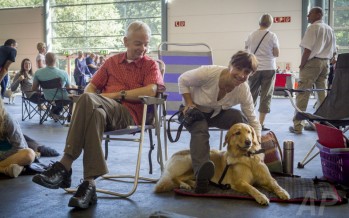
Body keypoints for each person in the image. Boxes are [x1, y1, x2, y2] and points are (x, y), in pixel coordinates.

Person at [32, 21, 164, 209]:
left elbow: (151, 90)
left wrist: (118, 95)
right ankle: (90, 185)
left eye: (146, 43)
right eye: (138, 43)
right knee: (92, 110)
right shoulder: (111, 62)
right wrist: (98, 95)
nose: (143, 48)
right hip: (102, 111)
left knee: (87, 100)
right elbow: (91, 87)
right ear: (125, 41)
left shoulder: (150, 65)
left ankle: (64, 165)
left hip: (129, 113)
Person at [178, 50, 261, 194]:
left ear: (250, 74)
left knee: (239, 118)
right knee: (200, 130)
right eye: (238, 68)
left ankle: (240, 162)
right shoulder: (209, 73)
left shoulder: (243, 89)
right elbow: (182, 79)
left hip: (216, 113)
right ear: (230, 65)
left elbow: (252, 118)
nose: (241, 75)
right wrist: (189, 103)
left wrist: (258, 143)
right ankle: (201, 177)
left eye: (247, 72)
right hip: (193, 112)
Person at [289, 7, 336, 134]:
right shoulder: (329, 29)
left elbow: (307, 50)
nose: (307, 16)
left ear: (318, 15)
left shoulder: (313, 28)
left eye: (310, 14)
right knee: (322, 95)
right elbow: (334, 51)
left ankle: (298, 125)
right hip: (325, 63)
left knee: (303, 93)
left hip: (312, 63)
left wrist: (302, 65)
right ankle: (323, 124)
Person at [245, 14, 280, 131]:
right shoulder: (272, 36)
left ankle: (250, 122)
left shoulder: (251, 35)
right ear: (270, 23)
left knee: (251, 95)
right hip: (269, 68)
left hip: (254, 68)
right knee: (266, 96)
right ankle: (260, 124)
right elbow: (276, 53)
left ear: (259, 22)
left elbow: (246, 51)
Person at [0, 97, 36, 178]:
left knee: (29, 154)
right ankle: (6, 170)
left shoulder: (8, 119)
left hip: (10, 155)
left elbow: (19, 147)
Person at [32, 52, 74, 120]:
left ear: (45, 61)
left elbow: (34, 88)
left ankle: (55, 112)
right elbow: (69, 89)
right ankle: (69, 116)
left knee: (56, 97)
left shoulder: (38, 73)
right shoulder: (63, 73)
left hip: (48, 98)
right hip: (63, 99)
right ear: (56, 61)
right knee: (74, 97)